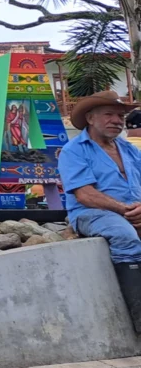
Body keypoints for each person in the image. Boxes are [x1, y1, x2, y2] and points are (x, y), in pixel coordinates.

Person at [58, 90, 141, 331]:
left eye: (120, 115)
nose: (117, 120)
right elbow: (85, 195)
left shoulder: (130, 150)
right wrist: (126, 210)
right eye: (109, 114)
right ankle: (137, 319)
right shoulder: (74, 150)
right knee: (125, 236)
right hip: (91, 213)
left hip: (132, 211)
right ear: (90, 118)